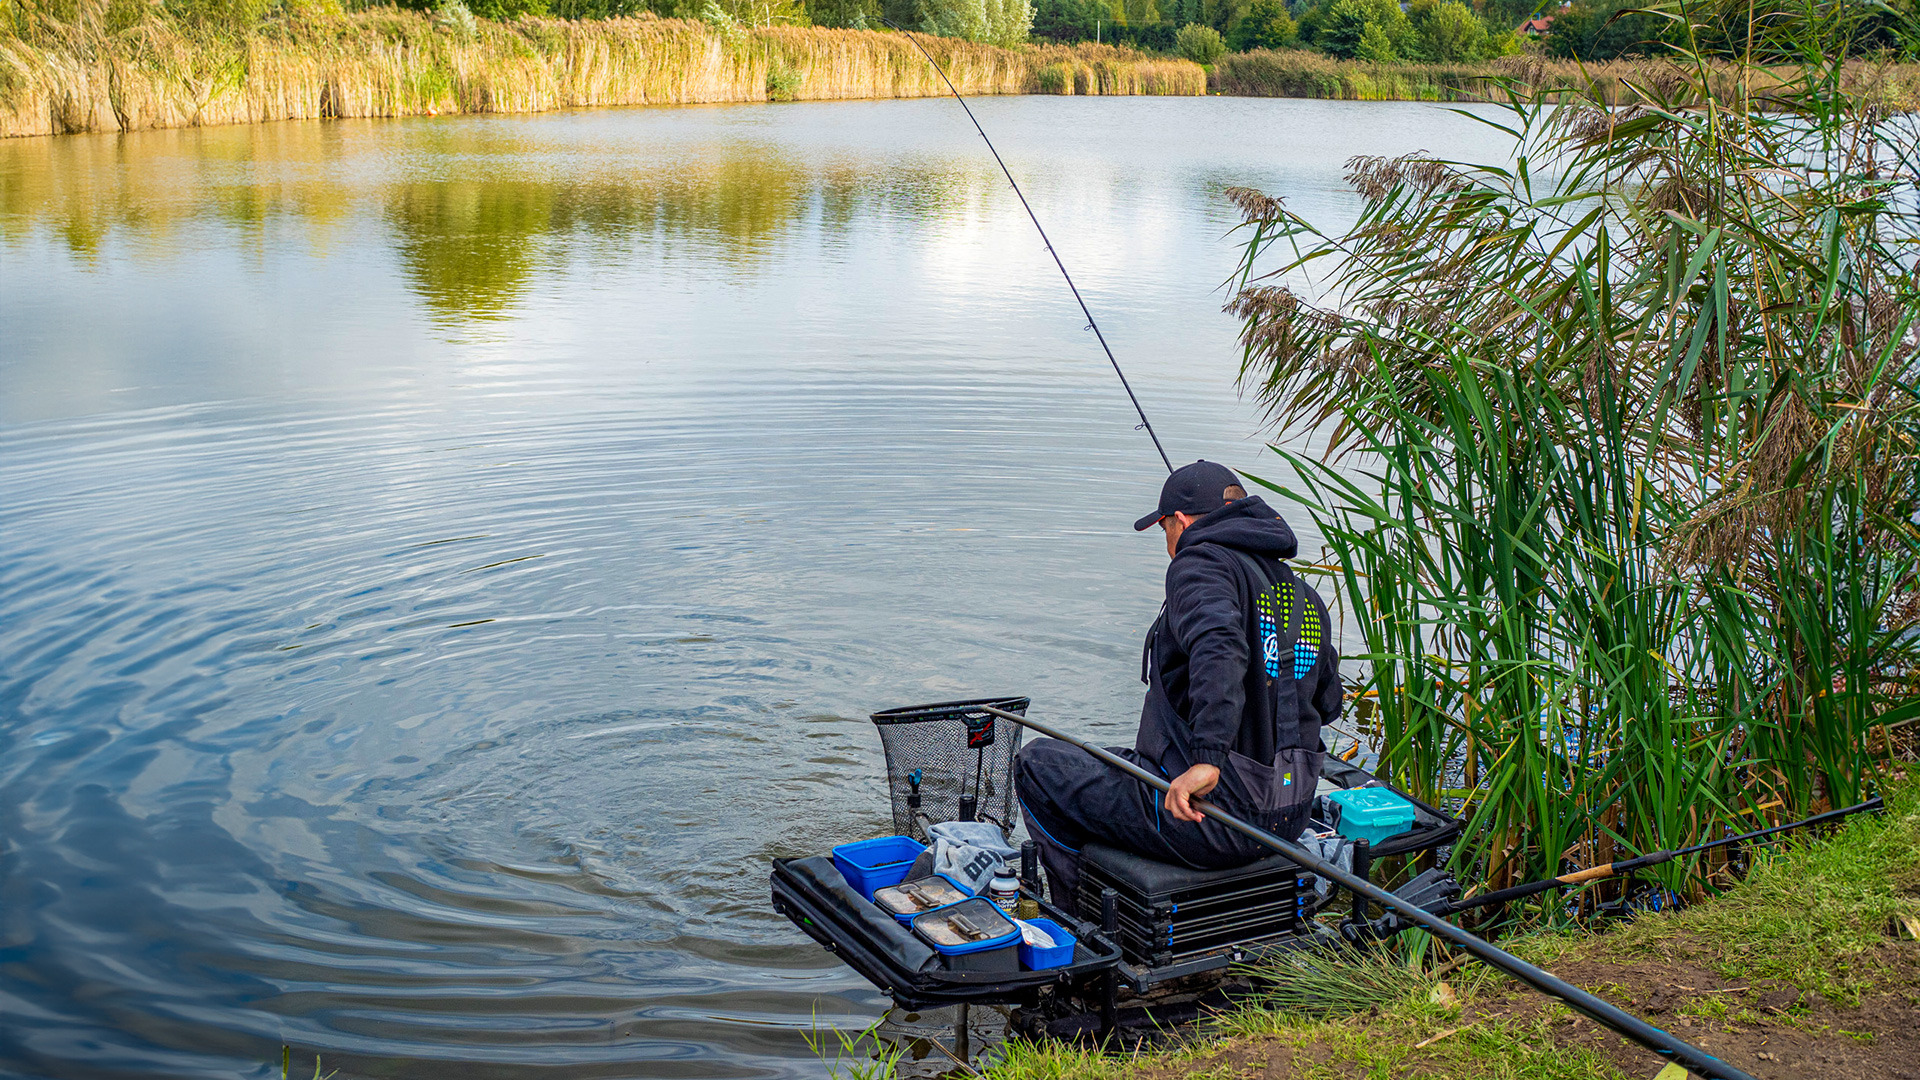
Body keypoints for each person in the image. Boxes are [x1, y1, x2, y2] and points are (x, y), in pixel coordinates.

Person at [1014, 460, 1340, 905]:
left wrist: (1207, 760)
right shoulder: (1299, 591)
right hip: (1290, 814)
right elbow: (1328, 700)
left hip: (1217, 821)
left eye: (1165, 529)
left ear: (1180, 522)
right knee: (1103, 761)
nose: (1168, 543)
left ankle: (1078, 919)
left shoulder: (1199, 563)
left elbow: (1220, 648)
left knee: (1038, 765)